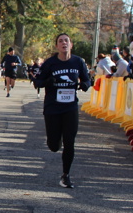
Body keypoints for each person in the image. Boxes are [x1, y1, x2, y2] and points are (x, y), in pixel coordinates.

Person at [33, 33, 91, 189]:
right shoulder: (50, 63)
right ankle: (54, 141)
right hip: (52, 107)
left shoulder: (78, 62)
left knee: (69, 141)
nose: (64, 43)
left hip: (70, 107)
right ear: (57, 46)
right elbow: (37, 82)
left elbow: (87, 79)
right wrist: (47, 81)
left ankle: (66, 175)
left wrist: (85, 85)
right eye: (60, 41)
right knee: (54, 146)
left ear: (71, 44)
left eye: (66, 41)